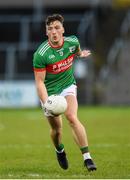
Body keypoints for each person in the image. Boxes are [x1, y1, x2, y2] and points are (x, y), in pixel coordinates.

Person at [33, 14, 96, 171]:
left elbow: (77, 50)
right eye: (50, 29)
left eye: (56, 28)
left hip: (67, 86)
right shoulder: (41, 54)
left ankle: (87, 158)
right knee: (56, 130)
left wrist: (80, 54)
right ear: (46, 32)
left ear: (63, 29)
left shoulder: (72, 41)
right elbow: (40, 82)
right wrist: (47, 102)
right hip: (50, 93)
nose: (53, 31)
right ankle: (60, 150)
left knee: (72, 118)